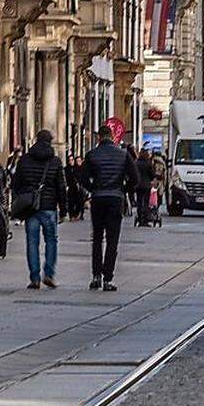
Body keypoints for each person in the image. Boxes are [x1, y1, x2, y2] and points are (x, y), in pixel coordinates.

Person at [81, 125, 139, 292]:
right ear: (113, 136)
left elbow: (83, 178)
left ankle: (96, 276)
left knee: (97, 239)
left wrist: (93, 189)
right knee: (112, 240)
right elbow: (135, 178)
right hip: (115, 199)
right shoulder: (123, 154)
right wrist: (123, 190)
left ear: (99, 137)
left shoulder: (92, 155)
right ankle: (108, 278)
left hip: (98, 198)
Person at [12, 129, 66, 290]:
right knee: (51, 240)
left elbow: (16, 183)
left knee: (32, 242)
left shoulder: (24, 160)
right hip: (49, 206)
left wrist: (21, 199)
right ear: (50, 142)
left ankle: (34, 278)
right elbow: (61, 186)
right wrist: (64, 208)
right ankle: (48, 273)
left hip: (30, 207)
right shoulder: (55, 161)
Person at [136, 149, 156, 222]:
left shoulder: (136, 163)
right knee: (146, 202)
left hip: (138, 185)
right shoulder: (148, 163)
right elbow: (152, 174)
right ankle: (145, 218)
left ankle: (139, 216)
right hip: (147, 185)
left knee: (139, 201)